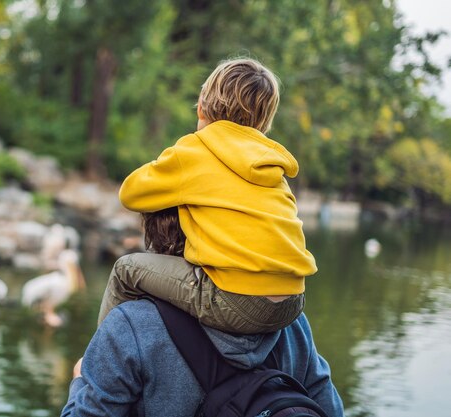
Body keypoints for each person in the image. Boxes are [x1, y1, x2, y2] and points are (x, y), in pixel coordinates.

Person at [98, 57, 317, 334]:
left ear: (202, 106)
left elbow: (130, 193)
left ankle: (95, 362)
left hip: (236, 301)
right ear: (264, 121)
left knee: (125, 269)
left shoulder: (196, 150)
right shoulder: (271, 164)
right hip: (292, 303)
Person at [62, 210, 344, 417]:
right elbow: (330, 410)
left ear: (155, 235)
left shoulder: (132, 325)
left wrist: (78, 383)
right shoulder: (290, 322)